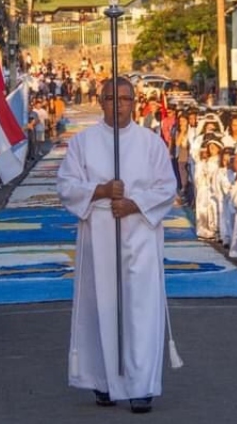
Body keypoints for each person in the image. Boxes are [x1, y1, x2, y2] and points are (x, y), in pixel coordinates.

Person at [57, 77, 178, 414]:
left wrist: (133, 203)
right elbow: (67, 185)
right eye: (110, 98)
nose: (118, 104)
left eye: (124, 98)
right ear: (100, 101)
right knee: (101, 306)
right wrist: (100, 191)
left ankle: (140, 385)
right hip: (98, 232)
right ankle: (103, 380)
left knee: (139, 307)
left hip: (139, 232)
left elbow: (167, 187)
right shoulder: (83, 143)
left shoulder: (151, 143)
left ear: (134, 102)